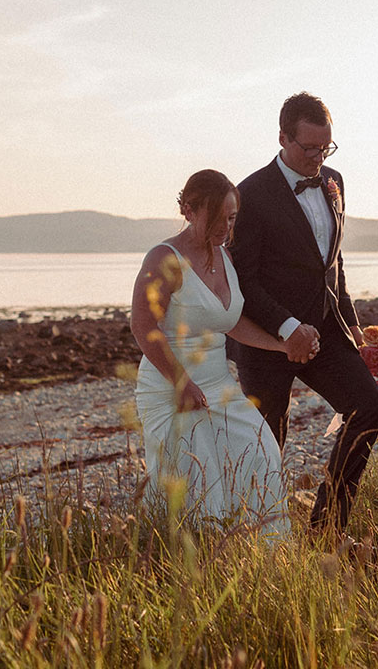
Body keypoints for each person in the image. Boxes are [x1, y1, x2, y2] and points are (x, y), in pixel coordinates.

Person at [229, 92, 378, 540]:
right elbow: (244, 281)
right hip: (266, 341)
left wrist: (353, 324)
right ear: (282, 138)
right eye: (309, 148)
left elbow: (332, 264)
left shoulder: (334, 181)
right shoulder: (250, 195)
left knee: (370, 406)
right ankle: (255, 541)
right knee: (267, 446)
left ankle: (327, 525)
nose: (319, 158)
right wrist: (286, 329)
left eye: (326, 148)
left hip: (325, 331)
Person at [131, 169, 312, 539]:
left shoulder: (224, 256)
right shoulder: (164, 259)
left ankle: (263, 553)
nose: (225, 229)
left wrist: (280, 345)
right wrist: (182, 382)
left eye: (231, 218)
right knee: (197, 480)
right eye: (216, 219)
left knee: (262, 449)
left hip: (218, 382)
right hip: (171, 385)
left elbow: (230, 323)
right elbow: (143, 327)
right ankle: (184, 557)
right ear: (188, 210)